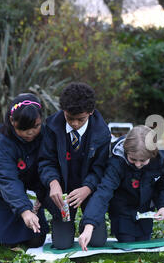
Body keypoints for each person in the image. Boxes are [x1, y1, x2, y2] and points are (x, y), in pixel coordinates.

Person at [78, 125, 164, 250]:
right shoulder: (116, 163)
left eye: (143, 161)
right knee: (127, 243)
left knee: (143, 242)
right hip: (122, 208)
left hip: (145, 208)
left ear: (152, 154)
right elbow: (104, 192)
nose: (137, 164)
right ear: (126, 151)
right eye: (133, 159)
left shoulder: (163, 161)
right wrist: (89, 225)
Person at [38, 82, 111, 250]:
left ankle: (86, 221)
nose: (75, 124)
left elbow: (100, 168)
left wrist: (87, 188)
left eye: (81, 119)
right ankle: (66, 224)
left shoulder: (102, 132)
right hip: (62, 193)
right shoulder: (51, 126)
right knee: (62, 244)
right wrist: (53, 182)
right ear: (63, 110)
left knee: (98, 241)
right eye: (70, 118)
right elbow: (46, 161)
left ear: (91, 112)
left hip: (89, 191)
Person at [0, 94, 49, 247]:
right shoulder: (1, 144)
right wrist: (25, 210)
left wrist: (40, 196)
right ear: (12, 121)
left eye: (35, 127)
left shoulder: (45, 135)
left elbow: (46, 166)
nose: (30, 133)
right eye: (23, 129)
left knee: (36, 239)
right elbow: (7, 180)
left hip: (26, 191)